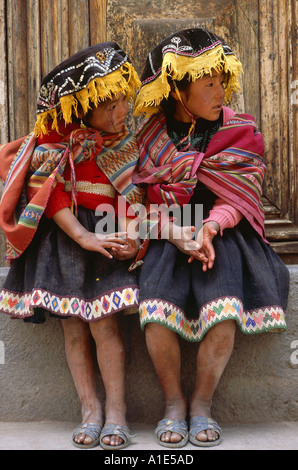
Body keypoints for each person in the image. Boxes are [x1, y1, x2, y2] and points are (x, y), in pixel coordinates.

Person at [132, 28, 289, 447]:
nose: (221, 92)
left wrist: (209, 226)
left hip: (224, 232)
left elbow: (243, 193)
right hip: (168, 232)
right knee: (155, 310)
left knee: (223, 313)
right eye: (209, 84)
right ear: (179, 91)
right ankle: (173, 405)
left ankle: (202, 403)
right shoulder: (149, 137)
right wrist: (176, 232)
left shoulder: (239, 128)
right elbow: (136, 206)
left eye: (222, 82)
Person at [0, 42, 144, 449]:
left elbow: (131, 192)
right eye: (108, 105)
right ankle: (90, 410)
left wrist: (132, 236)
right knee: (75, 327)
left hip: (107, 235)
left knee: (104, 323)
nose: (120, 112)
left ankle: (116, 410)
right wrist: (83, 235)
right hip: (65, 239)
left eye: (121, 100)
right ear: (81, 108)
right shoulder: (53, 141)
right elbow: (49, 194)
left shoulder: (123, 141)